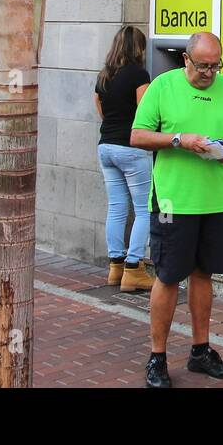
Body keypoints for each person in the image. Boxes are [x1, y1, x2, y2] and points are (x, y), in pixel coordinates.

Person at [130, 31, 223, 388]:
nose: (209, 72)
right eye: (203, 65)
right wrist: (178, 140)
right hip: (174, 202)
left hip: (216, 201)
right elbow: (137, 135)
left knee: (204, 274)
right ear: (186, 59)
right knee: (168, 276)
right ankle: (157, 357)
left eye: (215, 65)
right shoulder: (162, 87)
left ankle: (201, 350)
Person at [93, 25, 153, 292]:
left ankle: (115, 268)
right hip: (131, 148)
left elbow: (100, 108)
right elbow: (146, 112)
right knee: (144, 209)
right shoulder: (139, 74)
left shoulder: (104, 75)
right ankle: (133, 269)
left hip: (106, 146)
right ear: (138, 48)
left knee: (117, 207)